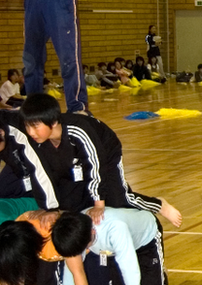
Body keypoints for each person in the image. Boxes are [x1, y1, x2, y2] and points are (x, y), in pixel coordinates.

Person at [20, 94, 182, 226]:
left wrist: (99, 204)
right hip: (73, 161)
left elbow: (95, 164)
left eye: (35, 126)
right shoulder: (36, 143)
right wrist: (49, 208)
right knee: (69, 204)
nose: (31, 132)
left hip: (105, 152)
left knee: (119, 199)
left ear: (54, 122)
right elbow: (41, 175)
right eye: (27, 127)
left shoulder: (78, 131)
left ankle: (159, 205)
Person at [51, 208, 167, 285]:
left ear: (93, 231)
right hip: (109, 248)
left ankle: (160, 271)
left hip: (145, 238)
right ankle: (113, 260)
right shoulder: (74, 230)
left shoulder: (115, 228)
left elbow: (128, 263)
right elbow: (74, 269)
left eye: (85, 248)